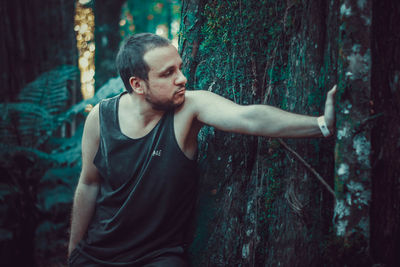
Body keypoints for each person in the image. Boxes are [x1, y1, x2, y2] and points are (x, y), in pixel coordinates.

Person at [68, 33, 337, 266]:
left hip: (157, 257)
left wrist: (321, 124)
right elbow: (88, 185)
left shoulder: (189, 109)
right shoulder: (100, 118)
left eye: (179, 68)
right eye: (167, 73)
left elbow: (249, 117)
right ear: (138, 84)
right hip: (97, 255)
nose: (182, 78)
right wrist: (74, 254)